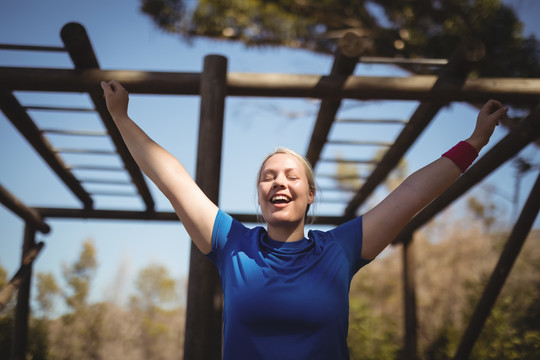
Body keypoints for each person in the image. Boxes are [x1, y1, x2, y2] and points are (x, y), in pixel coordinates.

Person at [101, 80, 508, 359]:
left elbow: (412, 194)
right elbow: (173, 181)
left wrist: (474, 142)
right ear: (259, 197)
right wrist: (121, 117)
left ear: (310, 195)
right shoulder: (232, 245)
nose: (279, 182)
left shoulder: (342, 250)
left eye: (292, 176)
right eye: (268, 176)